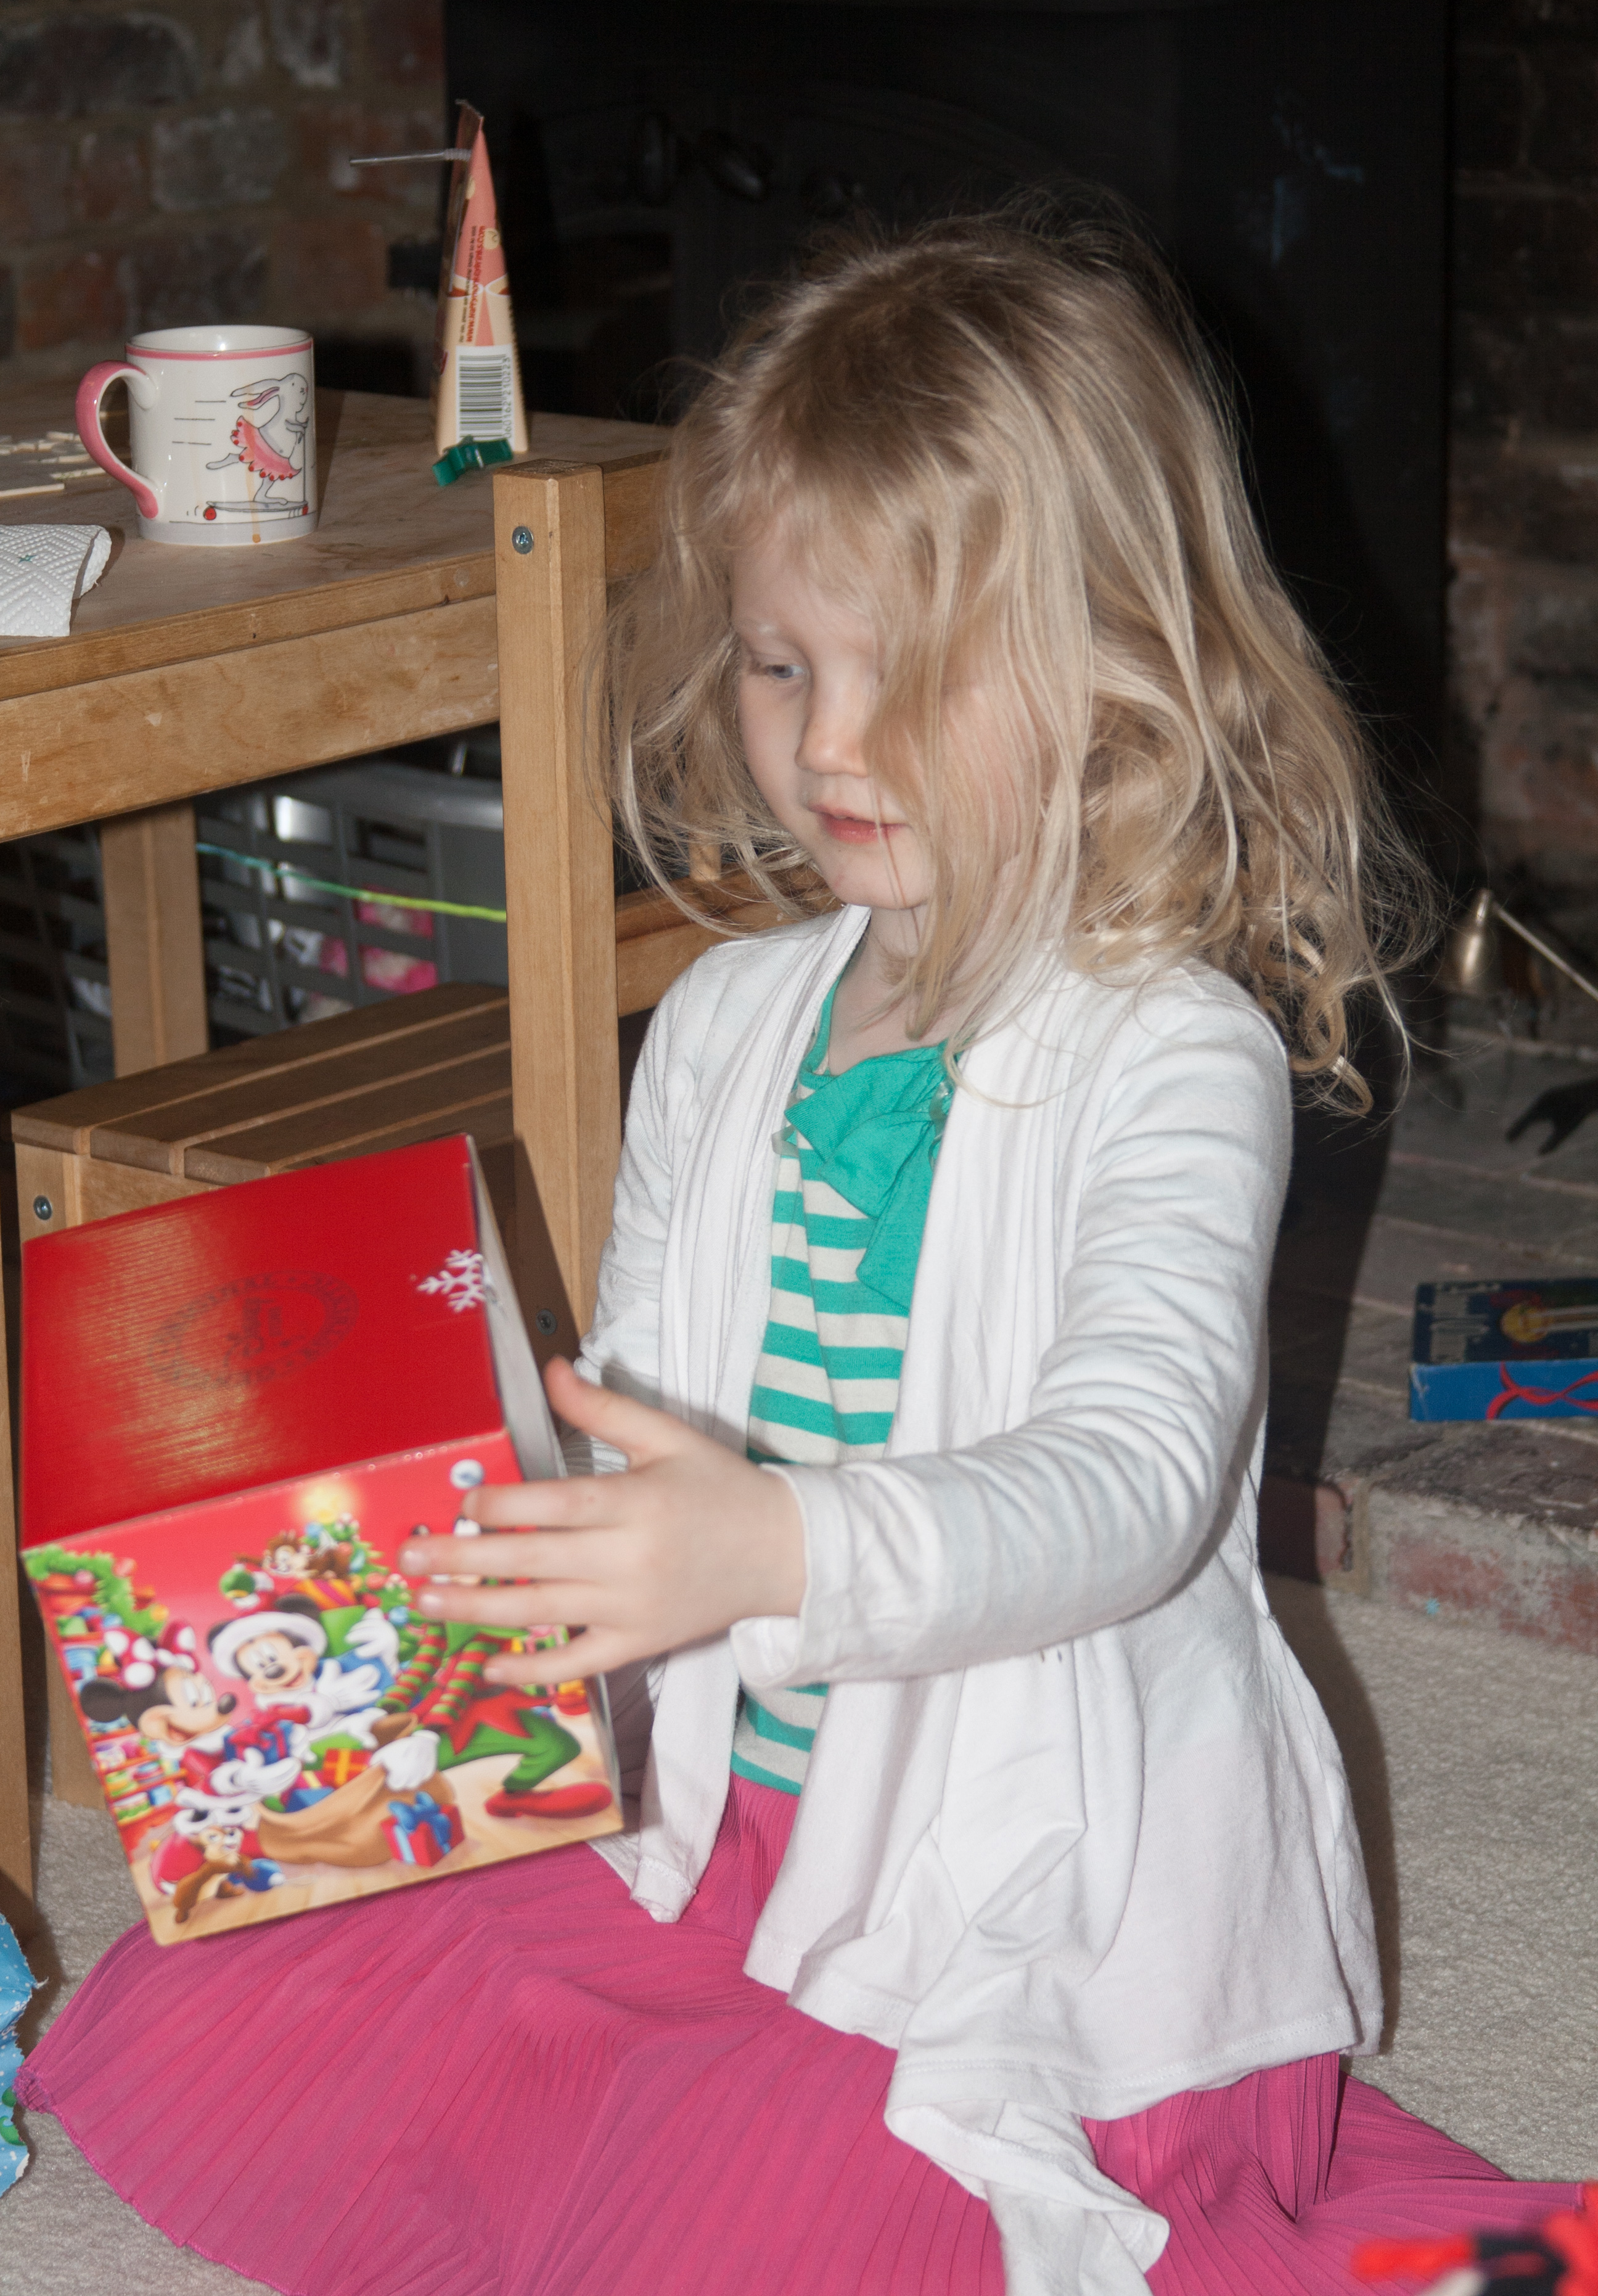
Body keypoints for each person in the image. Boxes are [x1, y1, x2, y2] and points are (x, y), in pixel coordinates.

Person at [18, 211, 1583, 2296]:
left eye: (911, 679)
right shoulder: (730, 1022)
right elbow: (649, 1409)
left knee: (741, 2201)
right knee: (256, 1956)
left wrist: (776, 1546)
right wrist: (478, 1554)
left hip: (1035, 1897)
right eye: (783, 667)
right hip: (735, 1817)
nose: (834, 744)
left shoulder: (1172, 1056)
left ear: (1120, 673)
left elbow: (1128, 1486)